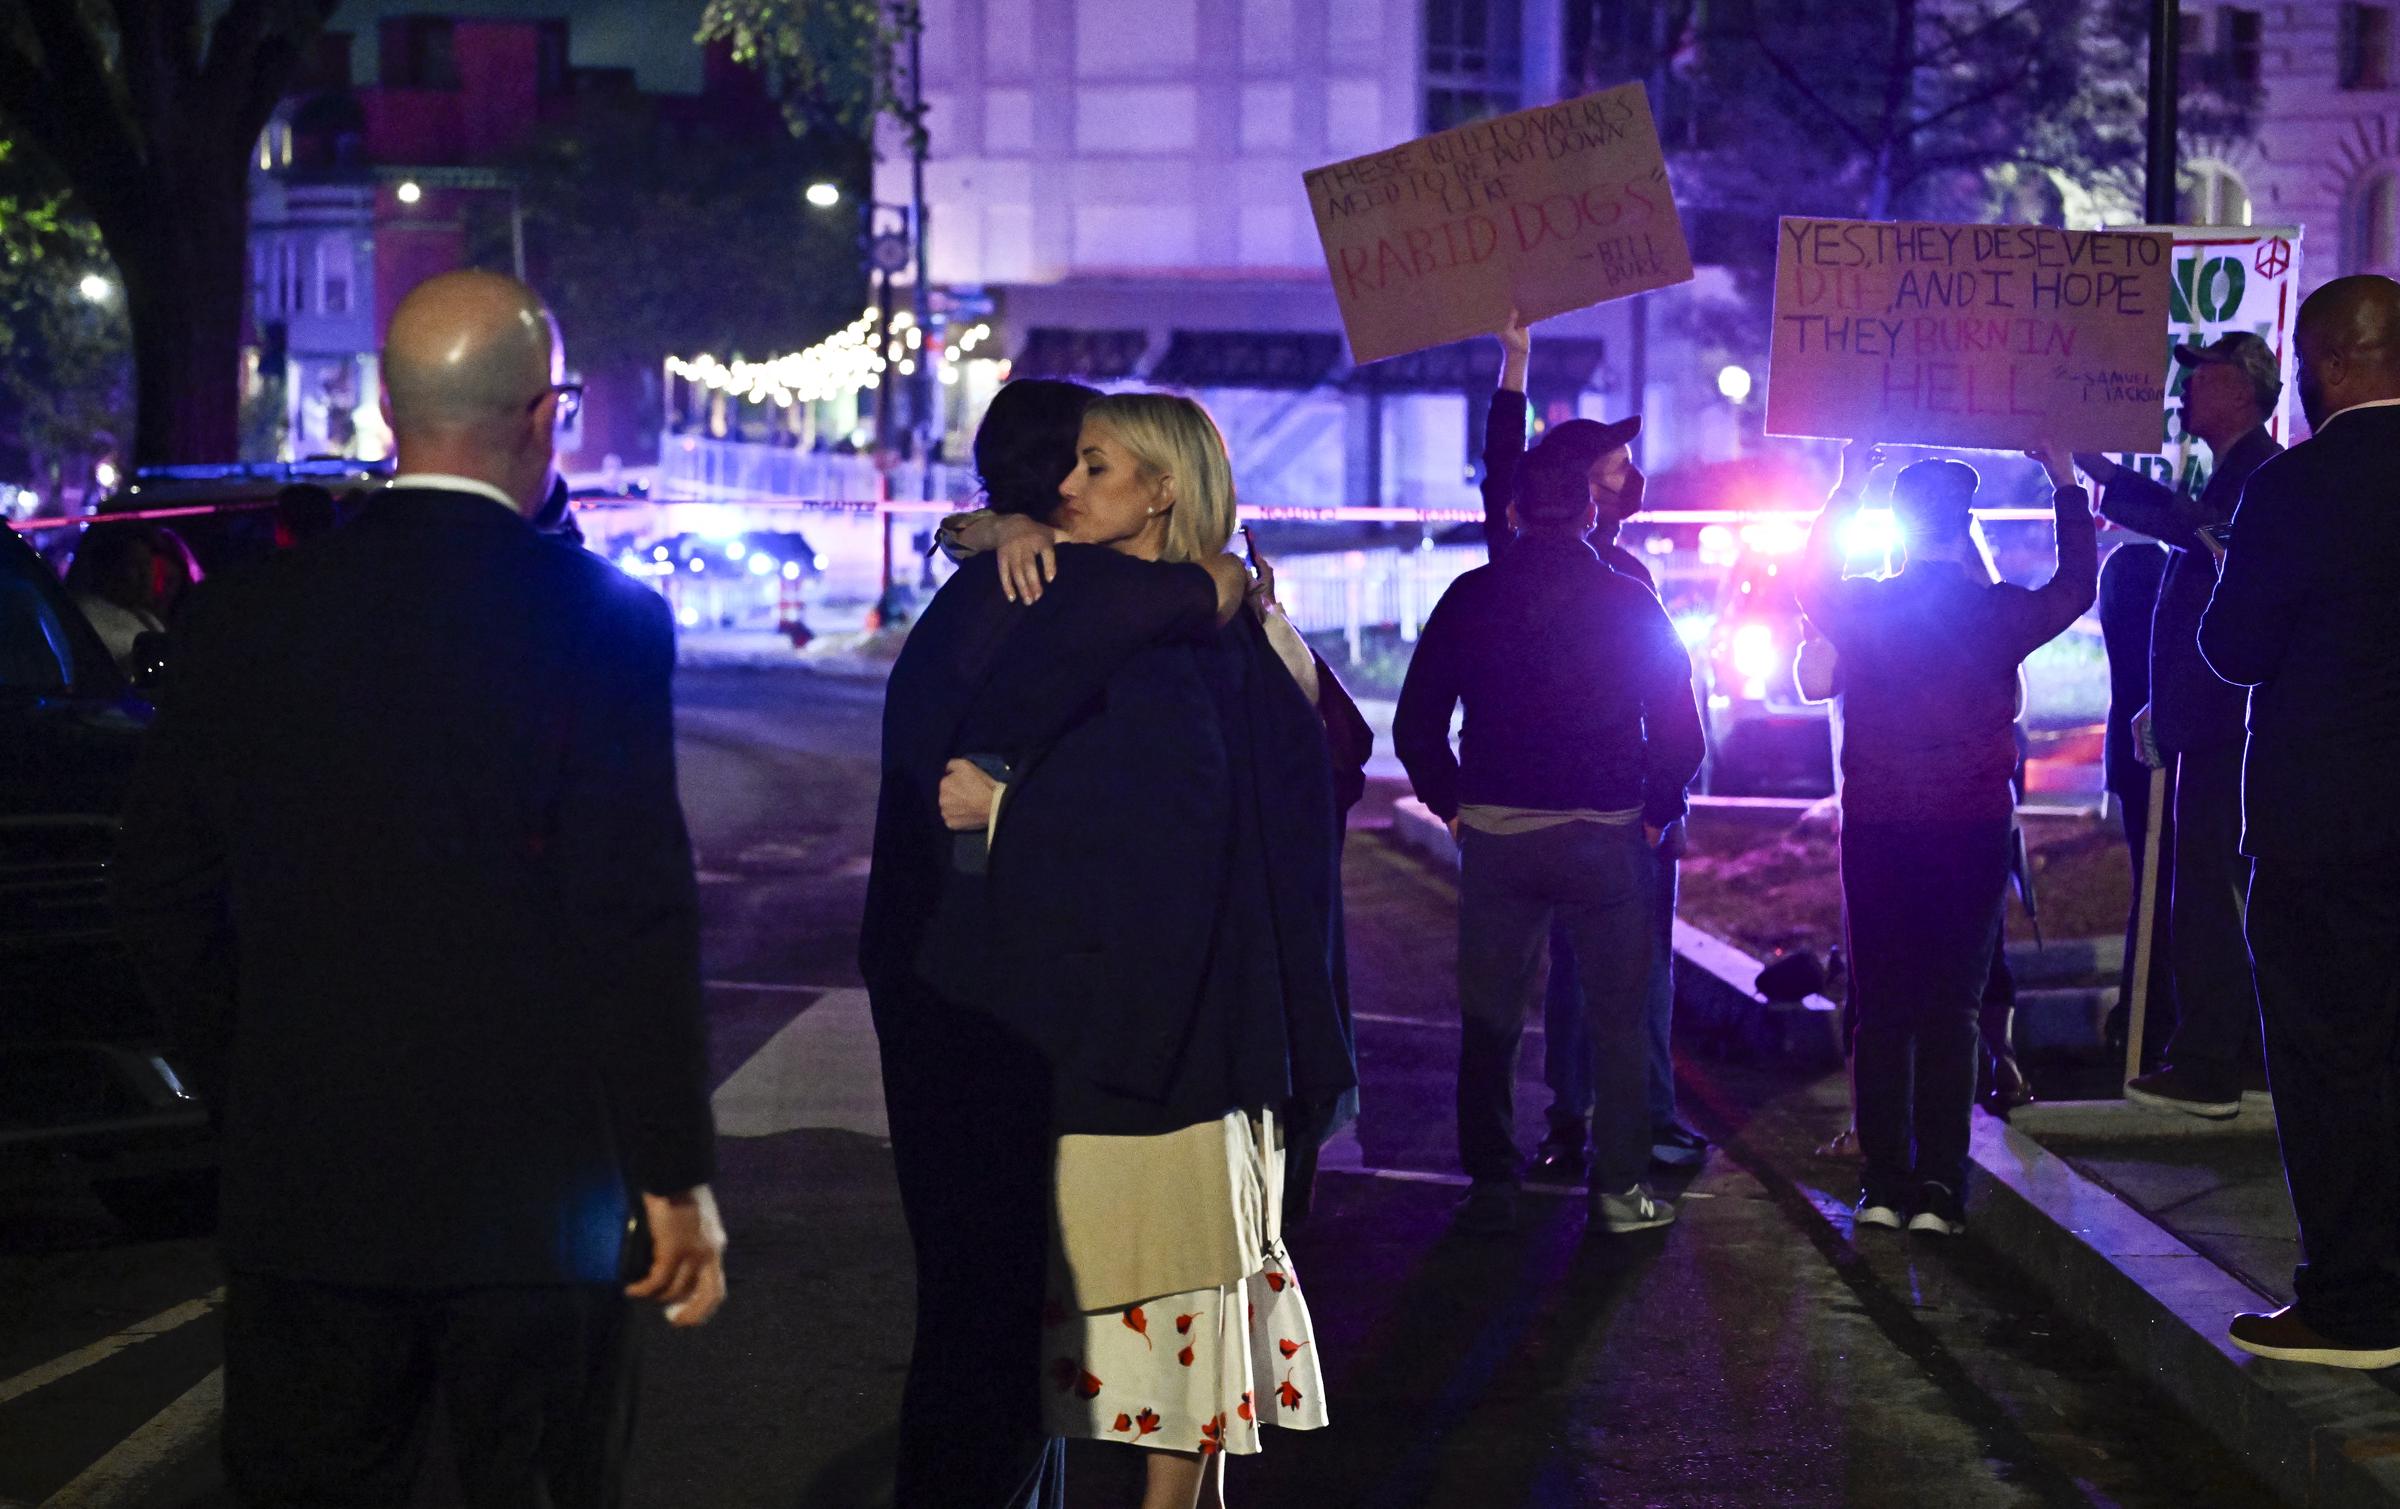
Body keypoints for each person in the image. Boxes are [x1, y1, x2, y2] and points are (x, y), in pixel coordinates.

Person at [109, 270, 725, 1509]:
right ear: (545, 415)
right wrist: (672, 1172)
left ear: (388, 408)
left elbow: (162, 893)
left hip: (308, 1180)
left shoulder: (242, 619)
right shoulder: (600, 622)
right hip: (535, 1200)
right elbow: (632, 916)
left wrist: (252, 1082)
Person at [928, 392, 1353, 1509]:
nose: (1066, 489)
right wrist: (990, 529)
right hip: (1217, 1036)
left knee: (1159, 1341)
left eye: (1096, 468)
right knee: (1177, 1348)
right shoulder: (1216, 616)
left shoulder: (1172, 643)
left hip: (1164, 1052)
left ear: (1162, 490)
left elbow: (1169, 825)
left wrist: (1007, 811)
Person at [863, 385, 1258, 1509]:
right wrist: (1217, 578)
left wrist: (984, 525)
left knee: (979, 1297)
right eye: (1080, 462)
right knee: (990, 1305)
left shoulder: (995, 580)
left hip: (931, 969)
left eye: (1108, 463)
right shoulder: (1062, 586)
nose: (1088, 484)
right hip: (976, 988)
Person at [1396, 372, 1706, 1239]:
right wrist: (1655, 806)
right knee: (1615, 1014)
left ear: (1520, 514)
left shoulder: (1472, 595)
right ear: (1585, 510)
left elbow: (1419, 721)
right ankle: (1620, 1189)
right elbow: (1680, 728)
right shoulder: (1630, 598)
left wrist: (1452, 805)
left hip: (1496, 833)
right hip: (1605, 834)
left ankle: (1491, 1183)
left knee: (1490, 1017)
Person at [1796, 442, 2094, 1238]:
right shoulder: (1995, 612)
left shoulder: (1865, 607)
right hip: (1969, 828)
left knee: (1885, 1009)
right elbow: (2075, 587)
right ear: (1962, 522)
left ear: (1897, 522)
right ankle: (1940, 1187)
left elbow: (1809, 579)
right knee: (1954, 1011)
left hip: (1881, 825)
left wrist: (1844, 486)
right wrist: (2064, 480)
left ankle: (1884, 1183)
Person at [2201, 274, 2400, 1370]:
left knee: (2330, 1060)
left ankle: (2355, 1304)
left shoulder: (2296, 487)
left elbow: (2233, 651)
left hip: (2323, 829)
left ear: (2326, 364)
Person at [1478, 315, 1706, 1188]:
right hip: (1598, 811)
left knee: (1608, 976)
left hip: (1623, 807)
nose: (1632, 479)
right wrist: (1516, 363)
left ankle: (1605, 1118)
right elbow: (1503, 467)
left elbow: (1667, 706)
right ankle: (1601, 1122)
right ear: (1579, 486)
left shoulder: (1628, 575)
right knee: (1606, 978)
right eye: (1615, 469)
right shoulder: (1530, 560)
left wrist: (1664, 802)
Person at [2077, 332, 2284, 1118]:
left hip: (2228, 726)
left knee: (2208, 891)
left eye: (2201, 377)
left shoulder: (2258, 476)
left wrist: (2100, 474)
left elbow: (2210, 542)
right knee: (2199, 888)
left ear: (2241, 389)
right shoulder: (2236, 475)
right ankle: (2213, 1050)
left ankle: (2211, 1062)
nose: (2184, 390)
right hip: (2205, 717)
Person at [2093, 528, 2176, 1065]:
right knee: (2163, 889)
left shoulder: (2120, 569)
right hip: (2156, 748)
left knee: (2149, 891)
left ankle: (2139, 1015)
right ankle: (2150, 1017)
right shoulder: (2154, 571)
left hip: (2128, 753)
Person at [63, 524, 167, 672]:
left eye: (147, 563)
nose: (146, 574)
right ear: (108, 570)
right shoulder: (89, 622)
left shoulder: (145, 617)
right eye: (134, 564)